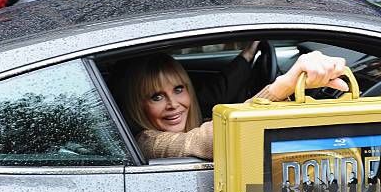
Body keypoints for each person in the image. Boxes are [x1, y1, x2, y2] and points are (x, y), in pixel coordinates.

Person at [121, 50, 348, 161]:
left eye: (178, 89)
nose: (173, 104)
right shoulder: (146, 141)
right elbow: (210, 138)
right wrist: (282, 87)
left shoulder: (195, 124)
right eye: (156, 97)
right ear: (137, 105)